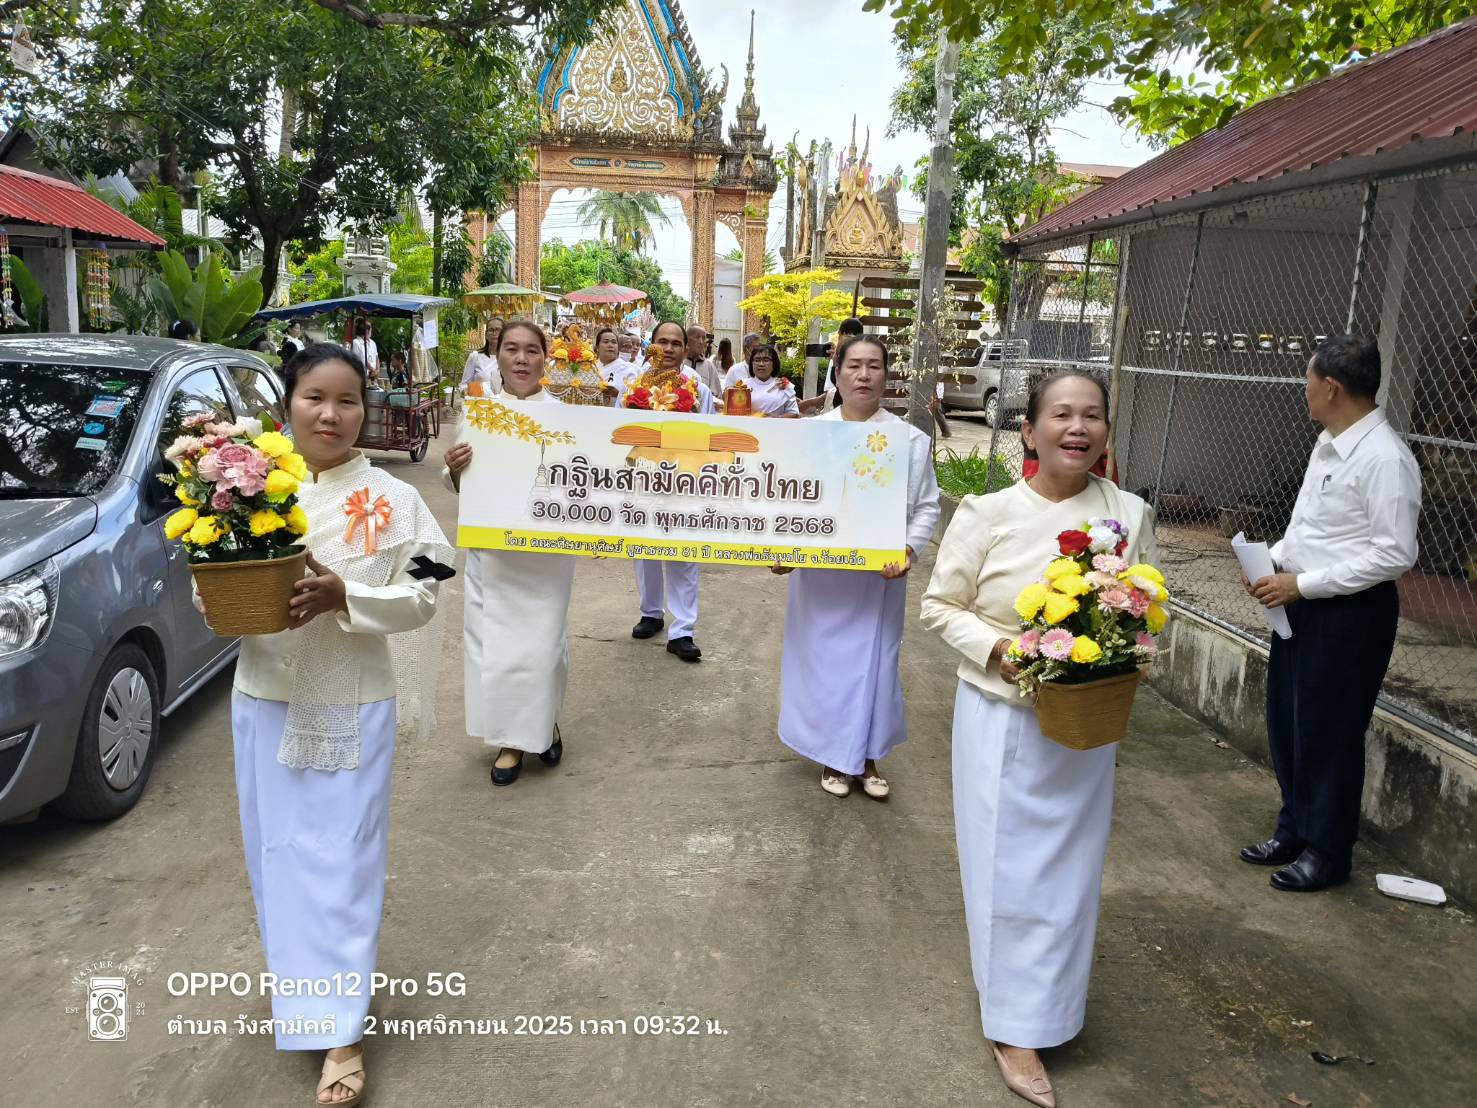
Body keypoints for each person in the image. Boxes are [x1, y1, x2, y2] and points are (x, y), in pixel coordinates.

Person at [207, 342, 452, 1108]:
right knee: (279, 856)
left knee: (343, 861)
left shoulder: (393, 497)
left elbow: (429, 589)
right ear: (288, 403)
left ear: (364, 411)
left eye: (347, 400)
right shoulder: (243, 491)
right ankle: (301, 995)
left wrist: (348, 595)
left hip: (354, 700)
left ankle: (341, 1030)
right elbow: (206, 584)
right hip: (265, 695)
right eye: (315, 396)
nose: (331, 414)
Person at [921, 368, 1157, 1108]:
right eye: (1060, 415)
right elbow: (938, 607)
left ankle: (1051, 1009)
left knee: (1069, 876)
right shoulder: (988, 512)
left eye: (1091, 416)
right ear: (1029, 430)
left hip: (1084, 724)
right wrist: (1004, 652)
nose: (1076, 428)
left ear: (1105, 433)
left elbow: (1143, 607)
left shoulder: (1128, 513)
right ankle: (1011, 1027)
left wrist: (1125, 646)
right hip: (1000, 716)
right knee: (1004, 871)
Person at [1241, 335, 1420, 892]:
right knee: (1289, 724)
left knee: (1331, 733)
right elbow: (1315, 527)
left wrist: (1304, 583)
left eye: (1308, 382)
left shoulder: (1385, 459)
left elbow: (1395, 553)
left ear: (1332, 388)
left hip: (1349, 615)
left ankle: (1327, 851)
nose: (1306, 392)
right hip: (1301, 603)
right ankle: (1294, 828)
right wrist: (1272, 561)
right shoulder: (1330, 443)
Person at [774, 336, 938, 798]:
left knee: (876, 665)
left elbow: (926, 507)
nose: (864, 375)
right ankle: (833, 756)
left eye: (874, 366)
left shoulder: (909, 440)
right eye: (855, 366)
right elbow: (788, 501)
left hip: (880, 578)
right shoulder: (810, 435)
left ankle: (866, 758)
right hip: (822, 578)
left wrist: (908, 550)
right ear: (839, 373)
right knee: (825, 664)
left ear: (887, 375)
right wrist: (783, 551)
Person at [443, 321, 577, 787]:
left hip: (545, 554)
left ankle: (545, 722)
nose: (521, 359)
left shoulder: (565, 415)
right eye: (511, 349)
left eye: (531, 351)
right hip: (493, 552)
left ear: (546, 358)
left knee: (542, 647)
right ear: (496, 355)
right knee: (494, 650)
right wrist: (454, 469)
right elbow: (461, 484)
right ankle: (510, 740)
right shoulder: (480, 411)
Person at [628, 320, 712, 663]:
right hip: (644, 480)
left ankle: (683, 631)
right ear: (651, 345)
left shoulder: (698, 388)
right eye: (662, 341)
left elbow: (707, 436)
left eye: (676, 343)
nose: (669, 349)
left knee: (684, 556)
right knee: (644, 549)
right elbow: (620, 431)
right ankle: (651, 612)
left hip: (683, 483)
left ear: (685, 349)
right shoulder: (633, 386)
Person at [799, 317, 865, 416]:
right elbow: (833, 391)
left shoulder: (838, 359)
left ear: (843, 334)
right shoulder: (866, 355)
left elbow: (837, 389)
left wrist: (836, 362)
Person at [743, 343, 800, 417]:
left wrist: (775, 418)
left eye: (766, 360)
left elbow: (794, 413)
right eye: (757, 360)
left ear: (774, 363)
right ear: (752, 363)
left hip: (777, 427)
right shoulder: (742, 385)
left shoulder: (784, 385)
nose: (761, 364)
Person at [459, 322, 503, 396]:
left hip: (505, 405)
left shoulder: (511, 359)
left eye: (498, 330)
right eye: (491, 330)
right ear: (486, 335)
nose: (494, 333)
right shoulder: (475, 356)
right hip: (480, 405)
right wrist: (469, 391)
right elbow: (464, 385)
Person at [684, 323, 723, 397]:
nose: (701, 341)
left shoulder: (709, 367)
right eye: (697, 337)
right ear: (687, 340)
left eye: (703, 338)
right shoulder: (680, 363)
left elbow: (717, 395)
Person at [594, 326, 637, 392]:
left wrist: (618, 393)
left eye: (614, 342)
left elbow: (633, 393)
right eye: (606, 342)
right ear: (597, 347)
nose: (610, 345)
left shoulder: (627, 369)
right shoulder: (591, 367)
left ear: (618, 347)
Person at [349, 317, 379, 384]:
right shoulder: (356, 343)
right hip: (361, 377)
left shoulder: (373, 343)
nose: (369, 330)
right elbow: (361, 359)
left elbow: (377, 357)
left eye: (370, 328)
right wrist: (372, 369)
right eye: (367, 328)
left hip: (372, 378)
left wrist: (377, 370)